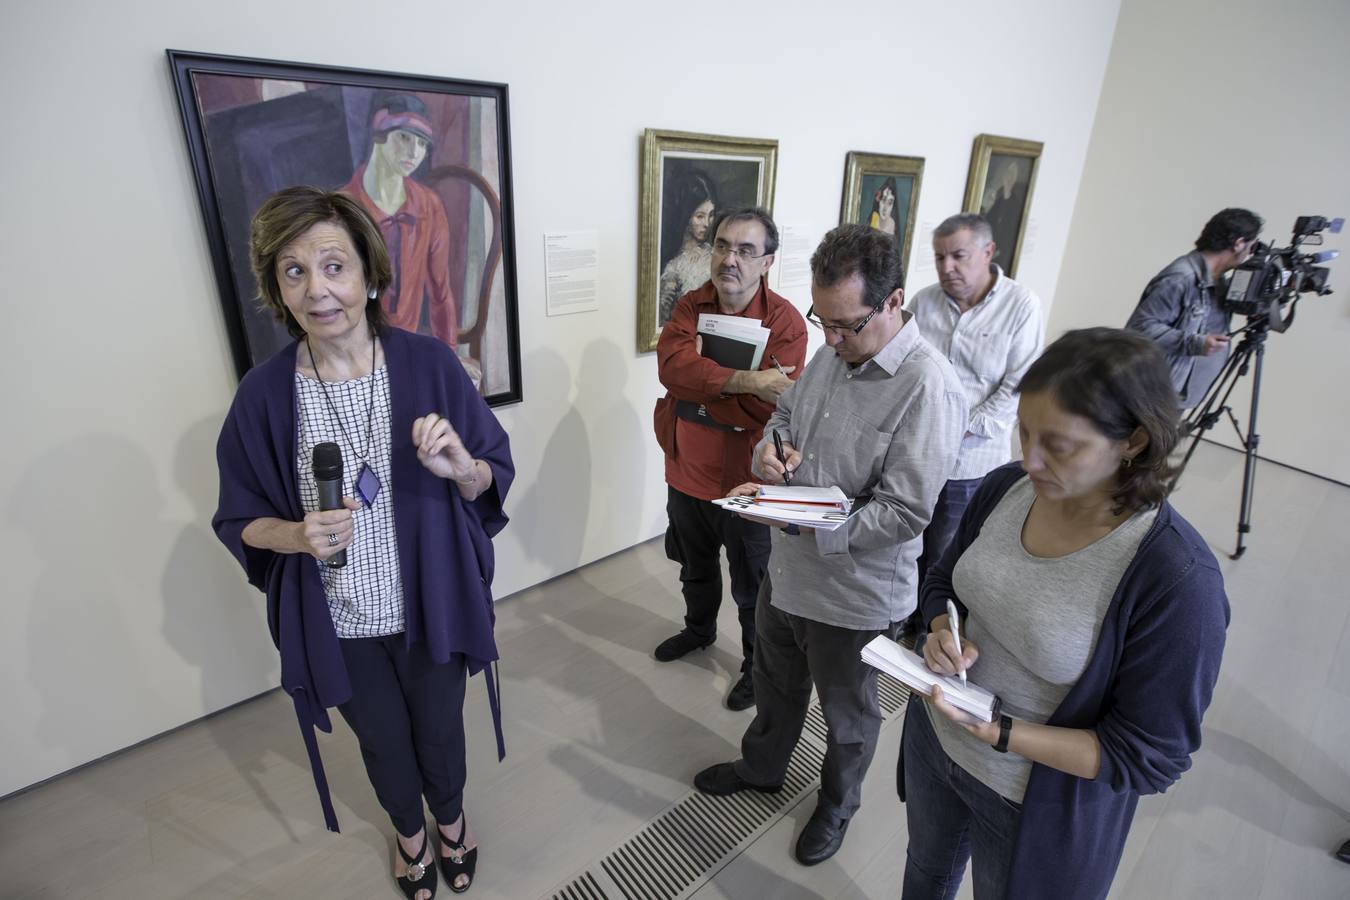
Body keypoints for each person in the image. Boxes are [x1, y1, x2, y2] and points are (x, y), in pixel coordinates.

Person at [213, 186, 514, 899]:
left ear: (370, 276)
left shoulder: (430, 364)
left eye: (333, 266)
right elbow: (237, 519)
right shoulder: (263, 395)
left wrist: (461, 468)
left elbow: (490, 476)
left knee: (439, 732)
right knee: (380, 741)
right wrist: (294, 533)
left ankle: (452, 824)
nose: (317, 290)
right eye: (294, 272)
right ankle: (410, 837)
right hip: (340, 618)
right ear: (278, 290)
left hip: (429, 605)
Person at [899, 328, 1230, 900]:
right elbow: (943, 581)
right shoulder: (1007, 488)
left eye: (1059, 445)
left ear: (1135, 441)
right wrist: (938, 631)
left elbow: (1149, 756)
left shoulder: (1174, 579)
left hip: (1030, 800)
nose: (1028, 458)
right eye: (1024, 432)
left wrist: (1003, 733)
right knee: (926, 874)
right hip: (937, 745)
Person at [693, 224, 966, 865]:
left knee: (848, 719)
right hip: (789, 573)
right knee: (775, 683)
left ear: (894, 301)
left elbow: (906, 511)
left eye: (846, 325)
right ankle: (762, 769)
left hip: (855, 593)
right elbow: (786, 417)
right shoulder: (832, 351)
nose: (831, 338)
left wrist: (808, 525)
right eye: (824, 320)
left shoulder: (929, 387)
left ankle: (837, 807)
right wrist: (769, 455)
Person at [652, 207, 807, 710]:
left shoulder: (786, 322)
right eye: (722, 246)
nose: (729, 260)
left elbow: (772, 403)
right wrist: (744, 378)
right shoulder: (689, 307)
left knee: (752, 584)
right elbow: (672, 371)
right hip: (687, 471)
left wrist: (706, 376)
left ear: (767, 262)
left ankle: (753, 666)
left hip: (746, 479)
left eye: (745, 250)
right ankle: (698, 630)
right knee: (694, 568)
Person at [905, 213, 1043, 604]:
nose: (947, 268)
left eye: (958, 256)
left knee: (948, 554)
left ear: (988, 253)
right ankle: (900, 622)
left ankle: (931, 629)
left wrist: (958, 426)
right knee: (906, 547)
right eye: (939, 257)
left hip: (972, 463)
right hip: (917, 454)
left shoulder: (1021, 305)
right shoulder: (924, 302)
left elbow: (1019, 385)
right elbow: (906, 367)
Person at [341, 93, 460, 349]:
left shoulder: (428, 205)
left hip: (410, 347)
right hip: (355, 353)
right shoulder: (340, 208)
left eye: (422, 143)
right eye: (404, 137)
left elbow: (441, 293)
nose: (414, 152)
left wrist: (449, 356)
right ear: (379, 132)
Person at [1125, 207, 1263, 408]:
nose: (1251, 253)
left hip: (1180, 393)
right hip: (1155, 394)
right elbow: (1138, 329)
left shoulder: (1219, 280)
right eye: (1253, 246)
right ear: (1238, 243)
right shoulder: (1182, 278)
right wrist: (1195, 343)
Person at [658, 169, 719, 325]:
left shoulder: (716, 255)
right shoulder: (674, 267)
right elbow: (663, 321)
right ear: (686, 216)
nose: (707, 223)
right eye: (700, 216)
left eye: (711, 215)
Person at [980, 159, 1027, 269]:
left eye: (1013, 174)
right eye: (1008, 173)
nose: (1010, 177)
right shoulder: (997, 196)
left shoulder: (1015, 203)